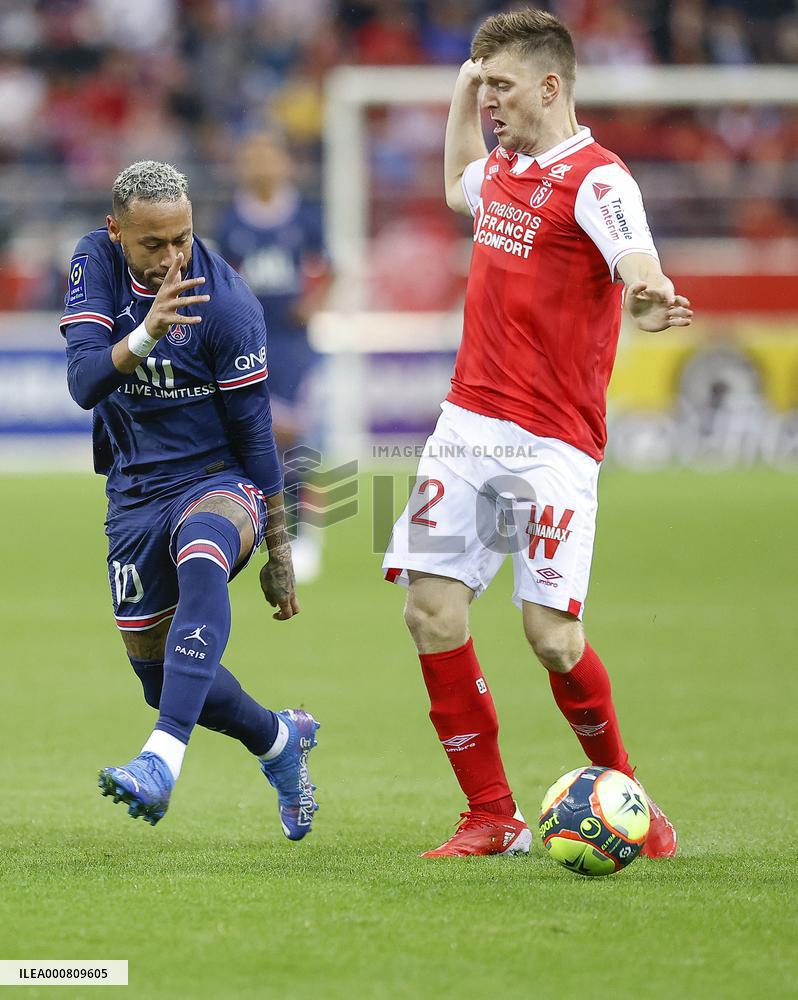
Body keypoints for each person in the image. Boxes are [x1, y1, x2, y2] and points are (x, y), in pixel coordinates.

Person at [383, 10, 692, 858]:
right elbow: (456, 186)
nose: (490, 104)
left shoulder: (599, 181)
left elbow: (637, 261)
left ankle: (633, 799)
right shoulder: (507, 169)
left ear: (550, 86)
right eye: (483, 89)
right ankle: (492, 814)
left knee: (551, 638)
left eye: (502, 88)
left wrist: (649, 292)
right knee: (430, 612)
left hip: (551, 441)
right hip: (466, 423)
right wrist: (460, 90)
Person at [61, 160, 320, 837]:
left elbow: (255, 434)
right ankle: (277, 739)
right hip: (135, 491)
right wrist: (147, 330)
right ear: (117, 231)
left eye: (183, 238)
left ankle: (160, 760)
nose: (173, 256)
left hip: (218, 479)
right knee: (158, 676)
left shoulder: (229, 305)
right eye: (154, 244)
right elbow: (85, 381)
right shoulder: (93, 260)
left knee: (203, 555)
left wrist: (280, 546)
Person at [216, 130, 331, 583]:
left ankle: (306, 538)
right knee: (251, 438)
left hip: (291, 344)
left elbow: (330, 268)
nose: (260, 166)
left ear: (285, 164)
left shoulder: (305, 217)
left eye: (268, 157)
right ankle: (257, 531)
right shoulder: (231, 223)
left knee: (296, 441)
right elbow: (221, 279)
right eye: (252, 158)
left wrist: (314, 303)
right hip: (247, 344)